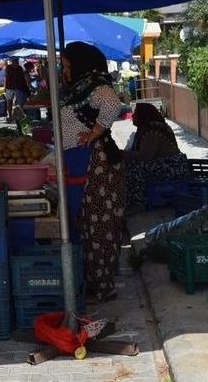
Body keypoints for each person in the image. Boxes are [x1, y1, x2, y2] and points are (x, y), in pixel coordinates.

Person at [59, 42, 125, 304]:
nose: (64, 71)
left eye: (67, 65)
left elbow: (112, 104)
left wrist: (95, 132)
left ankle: (101, 286)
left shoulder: (94, 85)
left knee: (98, 224)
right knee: (84, 223)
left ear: (81, 63)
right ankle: (88, 282)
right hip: (78, 159)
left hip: (96, 164)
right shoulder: (77, 88)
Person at [125, 103, 189, 208]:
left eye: (135, 113)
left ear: (143, 115)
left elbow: (144, 157)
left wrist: (122, 154)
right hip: (167, 165)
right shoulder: (148, 128)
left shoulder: (152, 130)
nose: (132, 116)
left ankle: (137, 201)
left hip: (172, 168)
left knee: (133, 169)